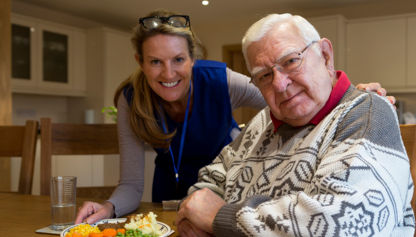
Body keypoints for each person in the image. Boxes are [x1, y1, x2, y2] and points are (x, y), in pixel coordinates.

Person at [75, 9, 395, 225]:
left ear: (193, 59)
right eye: (155, 61)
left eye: (179, 60)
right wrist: (109, 208)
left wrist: (351, 94)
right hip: (174, 204)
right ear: (141, 62)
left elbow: (290, 99)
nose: (169, 73)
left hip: (230, 203)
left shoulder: (221, 80)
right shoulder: (131, 99)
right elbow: (131, 184)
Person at [176, 13, 414, 236]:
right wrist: (193, 217)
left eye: (291, 61)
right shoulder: (262, 122)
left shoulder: (367, 113)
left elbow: (343, 222)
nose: (280, 84)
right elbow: (209, 185)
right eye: (264, 76)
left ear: (325, 55)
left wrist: (221, 217)